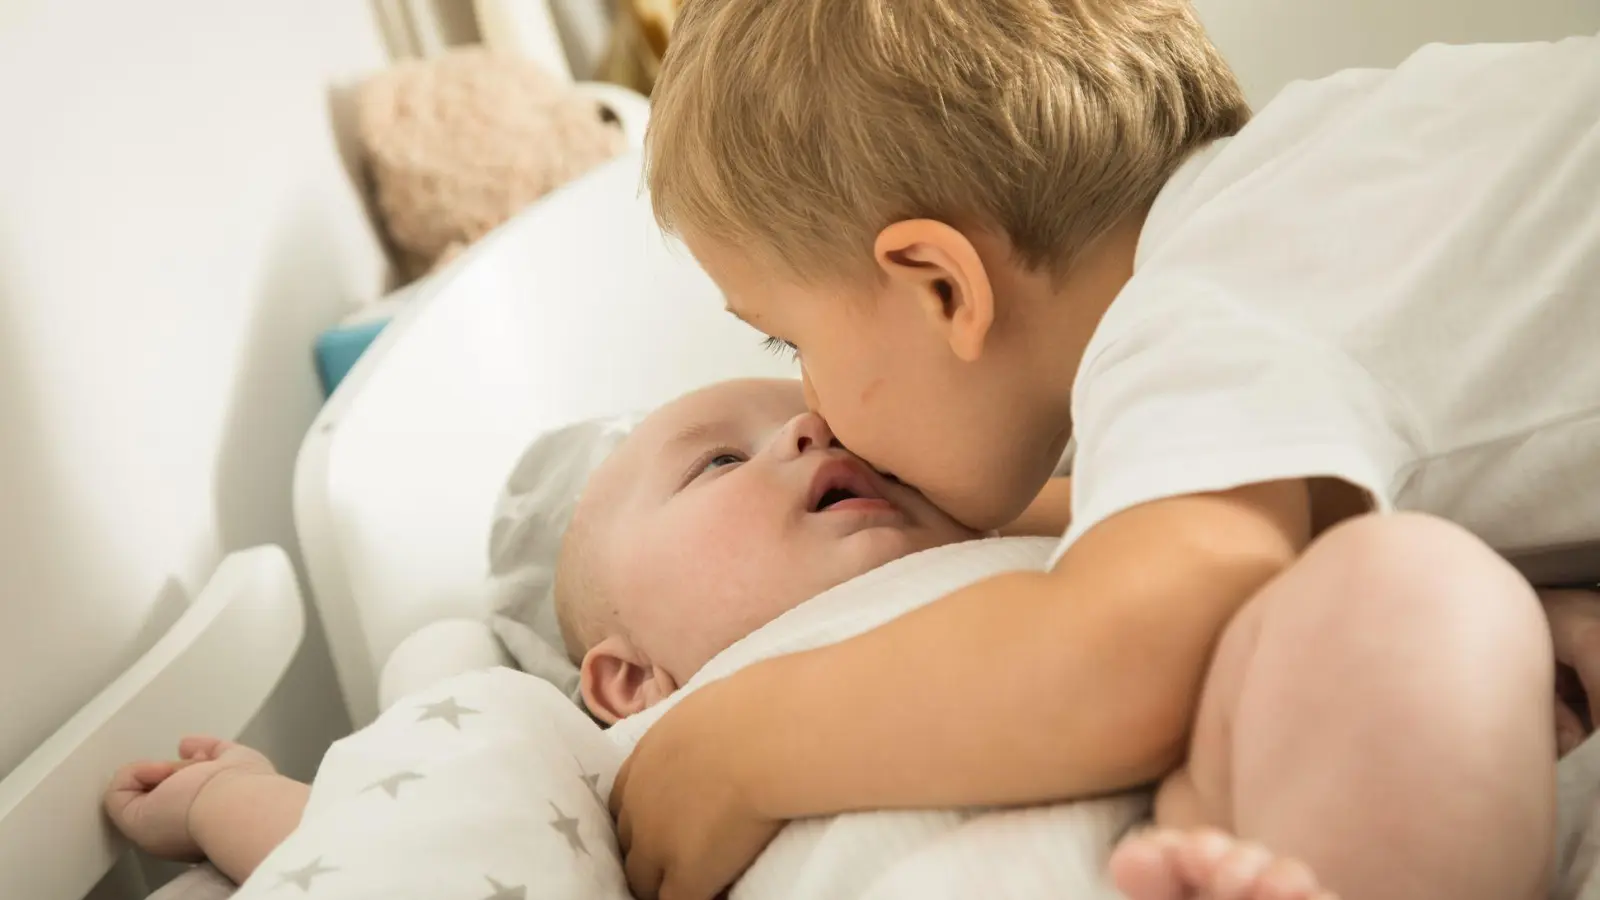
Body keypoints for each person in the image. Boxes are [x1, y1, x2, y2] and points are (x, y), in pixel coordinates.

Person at [605, 3, 1600, 899]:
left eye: (793, 344)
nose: (808, 405)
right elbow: (1134, 516)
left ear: (941, 288)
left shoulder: (1192, 320)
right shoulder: (1295, 203)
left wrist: (741, 745)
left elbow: (1128, 657)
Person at [102, 378, 982, 885]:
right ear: (631, 682)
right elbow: (429, 837)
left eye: (843, 427)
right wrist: (228, 803)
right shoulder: (632, 752)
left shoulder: (1076, 546)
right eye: (718, 460)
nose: (810, 427)